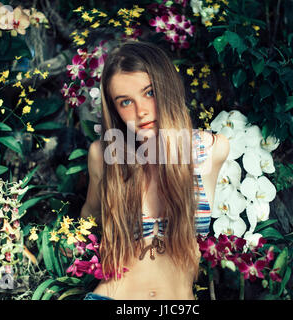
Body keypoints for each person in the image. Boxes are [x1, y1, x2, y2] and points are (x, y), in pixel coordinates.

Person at [80, 40, 229, 300]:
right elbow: (86, 222)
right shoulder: (105, 157)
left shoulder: (212, 150)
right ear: (115, 110)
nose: (141, 112)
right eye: (126, 102)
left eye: (149, 93)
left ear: (166, 87)